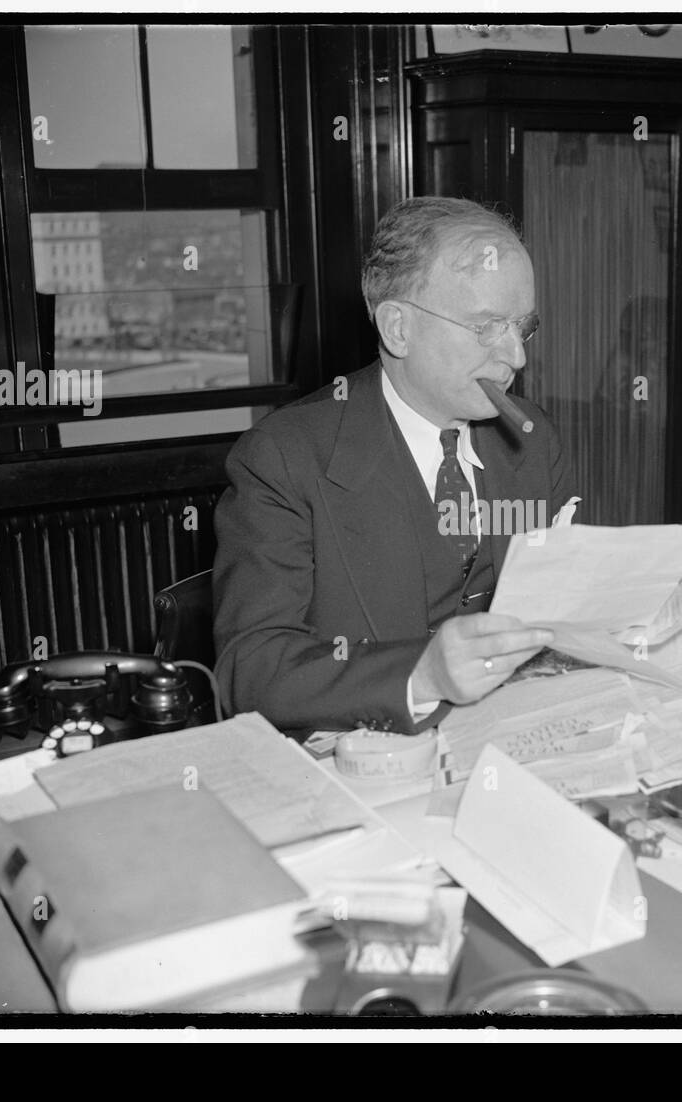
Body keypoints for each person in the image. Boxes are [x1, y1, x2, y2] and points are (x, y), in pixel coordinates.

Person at [213, 196, 579, 734]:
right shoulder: (285, 456)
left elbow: (562, 606)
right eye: (487, 327)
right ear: (398, 328)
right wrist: (423, 675)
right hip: (366, 756)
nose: (516, 357)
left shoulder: (532, 439)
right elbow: (251, 671)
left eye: (522, 327)